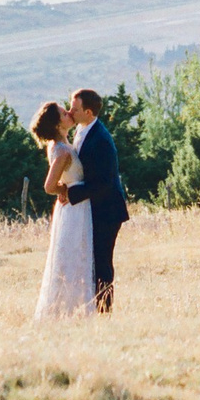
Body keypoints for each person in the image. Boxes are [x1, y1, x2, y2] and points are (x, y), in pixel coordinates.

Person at [60, 86, 129, 312]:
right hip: (93, 208)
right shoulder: (82, 130)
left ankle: (104, 310)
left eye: (75, 108)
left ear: (88, 112)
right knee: (91, 260)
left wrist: (72, 194)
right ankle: (91, 306)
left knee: (101, 261)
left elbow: (104, 182)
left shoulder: (100, 139)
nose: (70, 112)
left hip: (107, 211)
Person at [27, 100, 93, 320]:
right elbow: (49, 186)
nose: (69, 113)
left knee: (73, 254)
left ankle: (74, 307)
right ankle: (68, 309)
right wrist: (63, 189)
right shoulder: (62, 150)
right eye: (64, 113)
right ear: (57, 124)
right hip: (74, 208)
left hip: (76, 206)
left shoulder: (60, 145)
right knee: (73, 255)